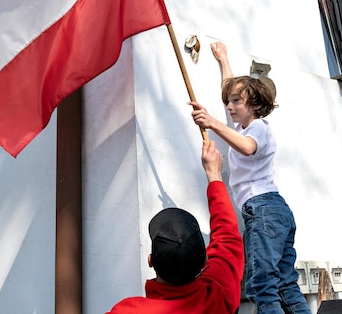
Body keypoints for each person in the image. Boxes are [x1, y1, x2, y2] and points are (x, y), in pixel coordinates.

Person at [189, 41, 311, 314]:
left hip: (264, 210)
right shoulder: (244, 126)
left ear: (254, 105)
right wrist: (223, 59)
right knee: (285, 284)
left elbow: (246, 147)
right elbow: (231, 86)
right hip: (274, 211)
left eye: (236, 102)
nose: (230, 106)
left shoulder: (258, 128)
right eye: (228, 102)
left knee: (261, 285)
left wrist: (211, 122)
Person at [106, 139, 244, 313]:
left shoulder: (127, 311)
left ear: (150, 261)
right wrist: (214, 176)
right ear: (205, 261)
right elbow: (228, 235)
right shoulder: (219, 293)